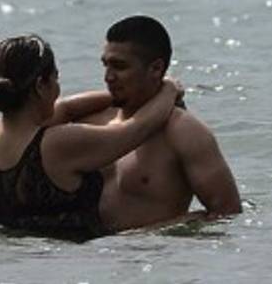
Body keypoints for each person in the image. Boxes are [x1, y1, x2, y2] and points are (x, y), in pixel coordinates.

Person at [0, 34, 182, 239]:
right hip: (68, 261)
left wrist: (124, 96)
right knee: (197, 218)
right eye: (56, 78)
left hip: (11, 252)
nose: (58, 89)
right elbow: (138, 128)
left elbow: (67, 108)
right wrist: (168, 90)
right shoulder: (59, 143)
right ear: (41, 86)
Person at [80, 16, 242, 231]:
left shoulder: (184, 131)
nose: (108, 77)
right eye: (105, 65)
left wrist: (145, 236)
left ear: (156, 69)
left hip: (149, 257)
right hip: (86, 257)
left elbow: (227, 214)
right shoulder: (91, 120)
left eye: (119, 67)